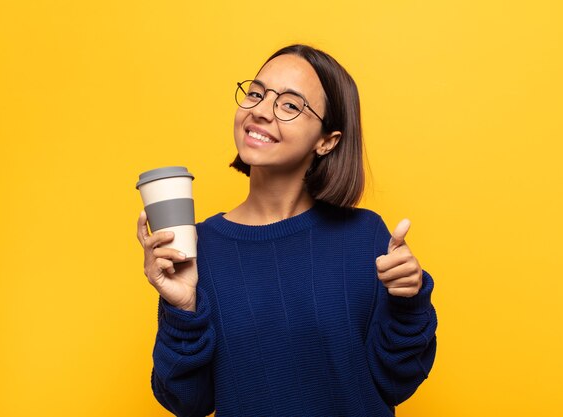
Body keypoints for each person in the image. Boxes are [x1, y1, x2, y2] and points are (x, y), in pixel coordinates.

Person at [137, 44, 437, 417]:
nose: (261, 111)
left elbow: (396, 380)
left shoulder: (367, 237)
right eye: (256, 94)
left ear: (327, 141)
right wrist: (182, 307)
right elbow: (188, 401)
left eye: (291, 105)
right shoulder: (198, 248)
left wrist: (409, 301)